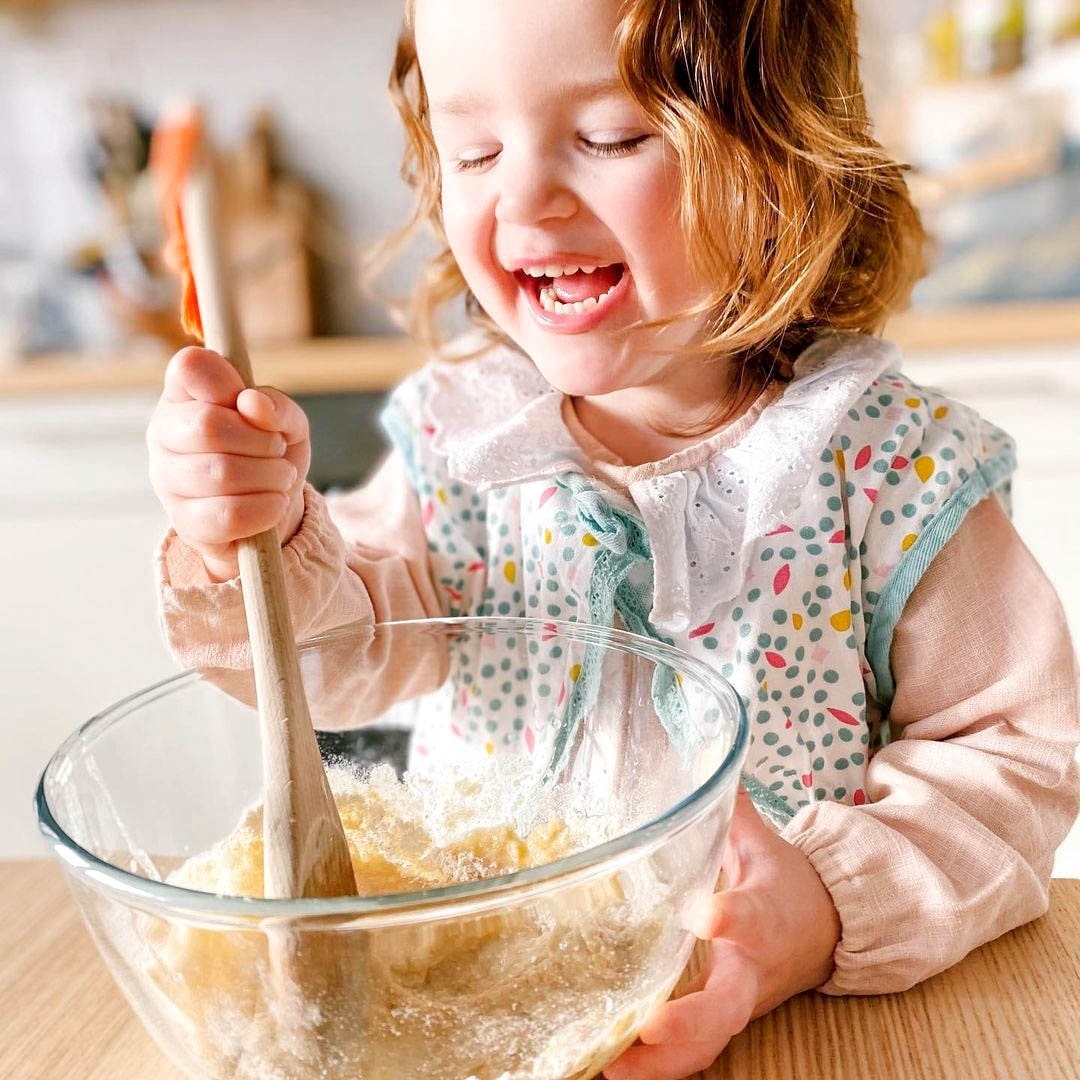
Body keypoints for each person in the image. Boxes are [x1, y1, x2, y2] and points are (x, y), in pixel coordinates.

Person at [147, 0, 1080, 1076]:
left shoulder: (885, 467)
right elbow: (337, 655)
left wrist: (818, 913)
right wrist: (245, 538)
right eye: (475, 150)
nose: (526, 197)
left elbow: (1017, 764)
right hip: (488, 1025)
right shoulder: (466, 440)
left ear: (788, 155)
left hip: (817, 1033)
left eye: (610, 138)